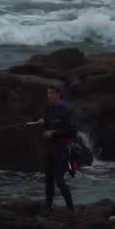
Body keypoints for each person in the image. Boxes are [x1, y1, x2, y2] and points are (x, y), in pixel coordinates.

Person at [38, 85, 75, 216]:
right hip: (49, 148)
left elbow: (71, 131)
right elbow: (46, 127)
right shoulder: (47, 109)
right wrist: (43, 124)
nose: (49, 96)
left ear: (58, 95)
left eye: (52, 93)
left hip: (62, 148)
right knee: (48, 178)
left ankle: (70, 208)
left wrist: (54, 132)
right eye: (48, 93)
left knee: (59, 179)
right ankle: (48, 206)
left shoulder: (66, 110)